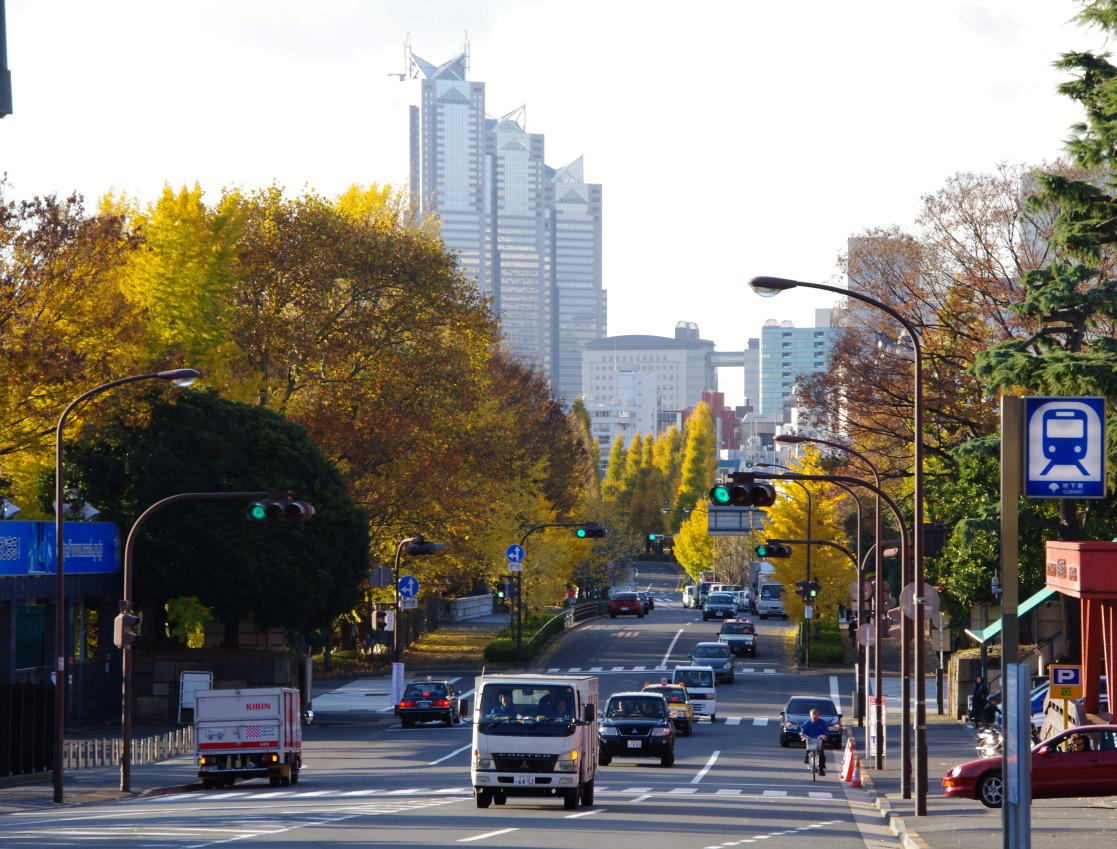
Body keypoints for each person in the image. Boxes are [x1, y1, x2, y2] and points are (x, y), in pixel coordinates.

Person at [800, 708, 830, 776]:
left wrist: (824, 736)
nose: (814, 716)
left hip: (819, 740)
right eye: (813, 714)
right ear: (810, 715)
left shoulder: (822, 723)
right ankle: (807, 759)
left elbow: (826, 731)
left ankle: (821, 769)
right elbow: (803, 731)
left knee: (821, 753)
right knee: (808, 749)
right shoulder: (807, 723)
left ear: (818, 715)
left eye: (816, 714)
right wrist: (802, 735)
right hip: (810, 740)